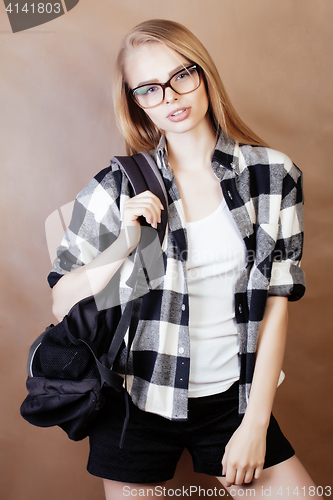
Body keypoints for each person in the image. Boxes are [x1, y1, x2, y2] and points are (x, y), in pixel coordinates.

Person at [49, 19, 321, 499]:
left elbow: (277, 302)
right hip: (137, 400)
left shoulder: (272, 176)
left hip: (233, 399)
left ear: (204, 74)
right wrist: (126, 244)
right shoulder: (119, 187)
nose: (170, 97)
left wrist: (255, 423)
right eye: (149, 89)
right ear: (135, 101)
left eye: (182, 76)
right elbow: (62, 302)